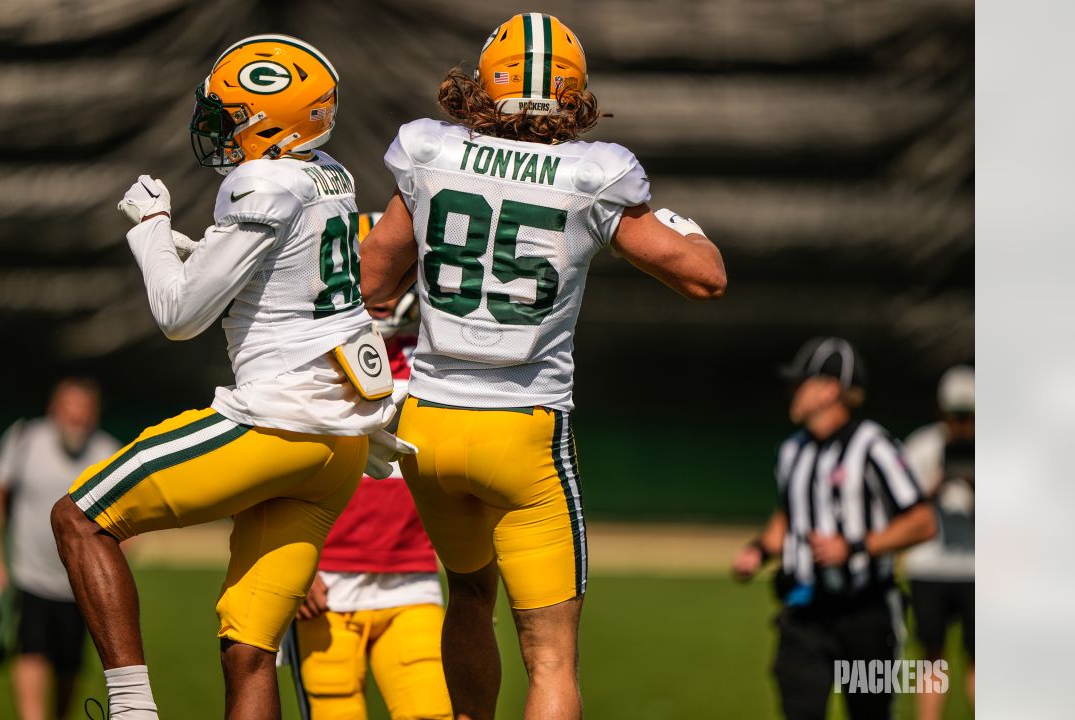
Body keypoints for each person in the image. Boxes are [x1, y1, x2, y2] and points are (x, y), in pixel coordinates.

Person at [359, 13, 727, 719]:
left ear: (484, 86)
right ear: (575, 95)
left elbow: (374, 282)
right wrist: (684, 227)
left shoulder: (427, 152)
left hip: (428, 425)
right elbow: (705, 279)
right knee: (552, 657)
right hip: (523, 431)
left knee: (468, 595)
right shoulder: (593, 173)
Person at [49, 35, 401, 720]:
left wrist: (151, 228)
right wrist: (200, 248)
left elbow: (180, 313)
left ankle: (130, 711)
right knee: (248, 651)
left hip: (278, 423)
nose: (218, 127)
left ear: (274, 120)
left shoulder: (262, 181)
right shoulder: (329, 173)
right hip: (341, 445)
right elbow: (277, 273)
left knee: (80, 518)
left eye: (232, 114)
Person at [287, 216, 452, 720]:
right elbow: (266, 466)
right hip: (326, 583)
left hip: (414, 578)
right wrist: (292, 568)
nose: (376, 282)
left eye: (393, 269)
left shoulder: (440, 360)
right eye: (363, 268)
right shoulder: (307, 356)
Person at [731, 337, 939, 720]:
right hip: (804, 614)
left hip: (865, 612)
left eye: (801, 381)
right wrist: (758, 551)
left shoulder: (872, 445)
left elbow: (922, 521)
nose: (792, 390)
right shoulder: (792, 450)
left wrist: (855, 546)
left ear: (829, 390)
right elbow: (789, 516)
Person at [0, 378, 121, 720]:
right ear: (54, 409)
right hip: (30, 576)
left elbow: (130, 523)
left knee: (69, 667)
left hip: (82, 585)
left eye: (85, 411)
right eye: (70, 409)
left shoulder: (109, 453)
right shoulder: (25, 439)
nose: (77, 418)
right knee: (31, 652)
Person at [903, 365, 975, 720]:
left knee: (980, 658)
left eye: (970, 414)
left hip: (977, 569)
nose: (962, 423)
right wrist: (935, 483)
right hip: (929, 567)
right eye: (956, 414)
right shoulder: (921, 445)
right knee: (932, 656)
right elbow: (902, 508)